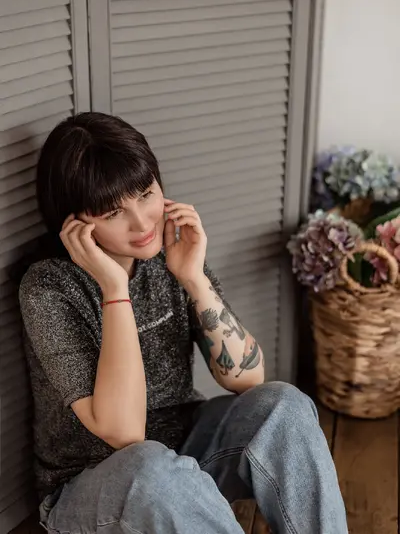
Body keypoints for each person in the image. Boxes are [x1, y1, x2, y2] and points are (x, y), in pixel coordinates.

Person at [18, 112, 348, 534]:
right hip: (93, 488)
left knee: (284, 405)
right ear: (74, 222)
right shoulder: (48, 287)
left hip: (185, 461)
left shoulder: (170, 255)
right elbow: (125, 434)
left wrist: (194, 279)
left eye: (146, 193)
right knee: (152, 468)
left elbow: (248, 379)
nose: (142, 223)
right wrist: (114, 288)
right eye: (114, 212)